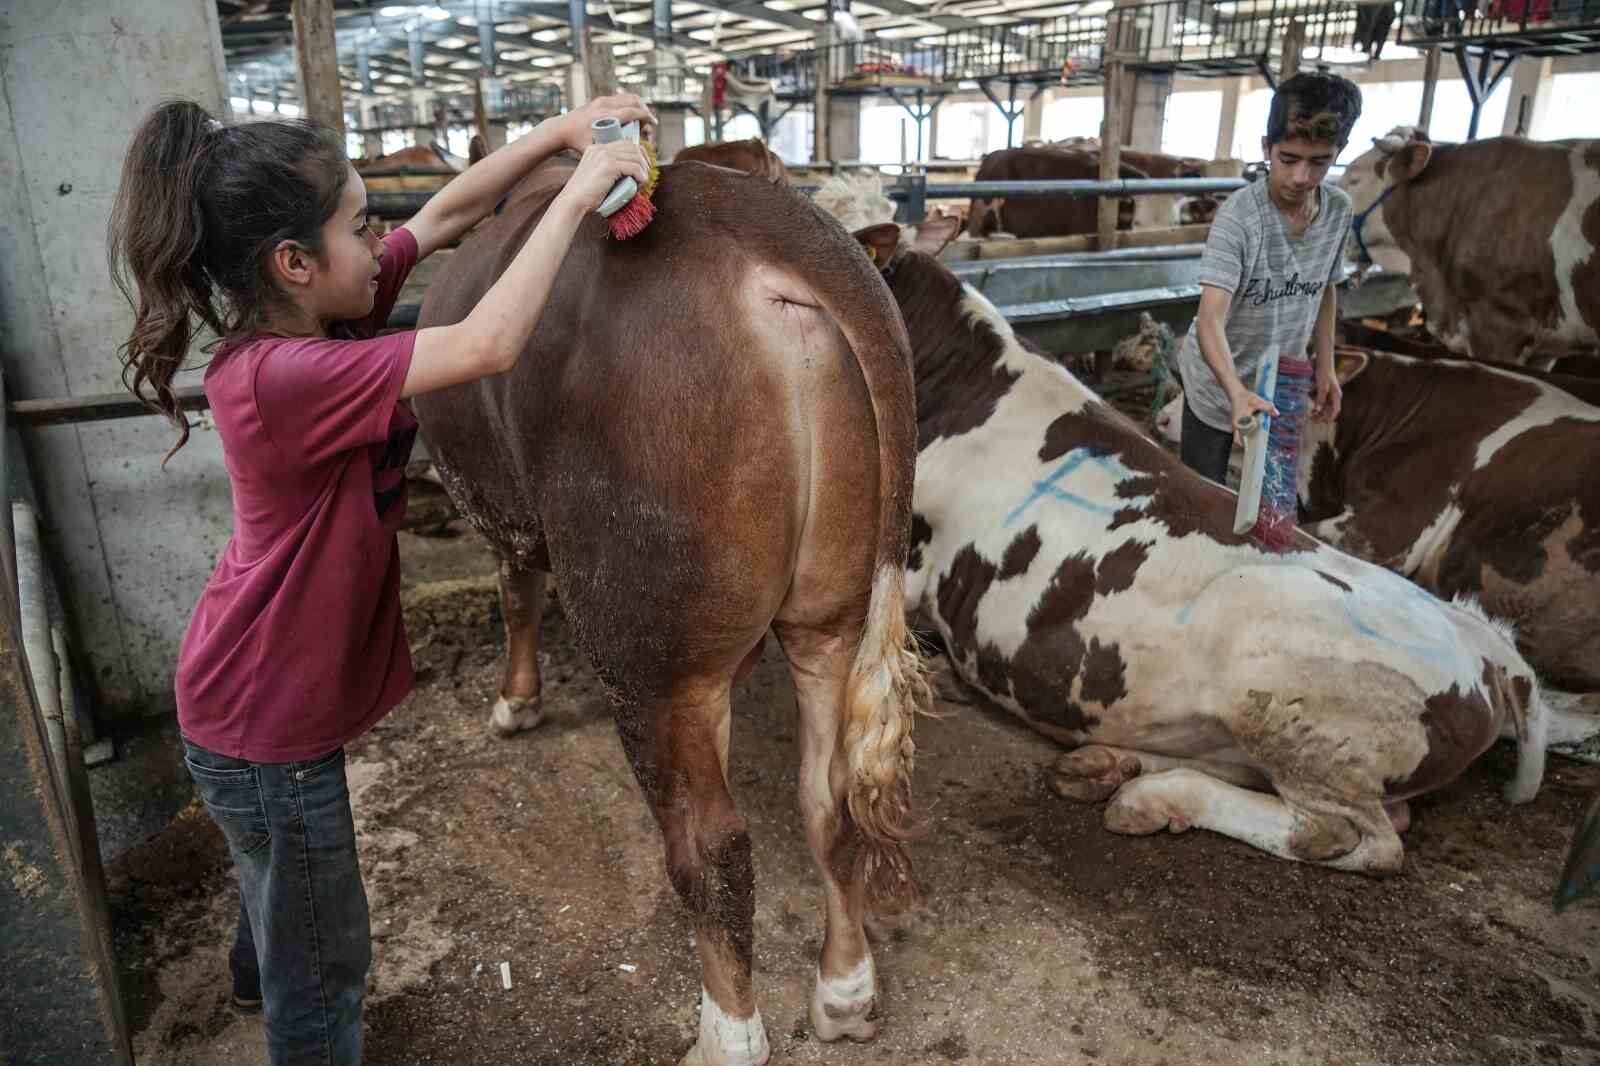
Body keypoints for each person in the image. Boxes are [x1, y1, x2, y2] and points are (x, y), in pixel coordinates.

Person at [108, 94, 652, 1064]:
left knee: (271, 879)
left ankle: (248, 978)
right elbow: (487, 343)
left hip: (237, 702)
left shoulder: (317, 317)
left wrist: (564, 132)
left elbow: (443, 217)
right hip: (272, 725)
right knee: (327, 958)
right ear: (293, 263)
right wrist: (574, 195)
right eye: (358, 226)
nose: (379, 243)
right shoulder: (284, 374)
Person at [1175, 70, 1362, 485]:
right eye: (1289, 159)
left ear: (1339, 152)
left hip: (1282, 378)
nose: (1301, 178)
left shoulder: (1338, 210)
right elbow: (1209, 319)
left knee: (1269, 495)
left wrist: (1326, 366)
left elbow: (1325, 287)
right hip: (1217, 383)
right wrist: (1235, 392)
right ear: (1267, 148)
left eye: (1319, 162)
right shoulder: (1239, 218)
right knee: (1202, 491)